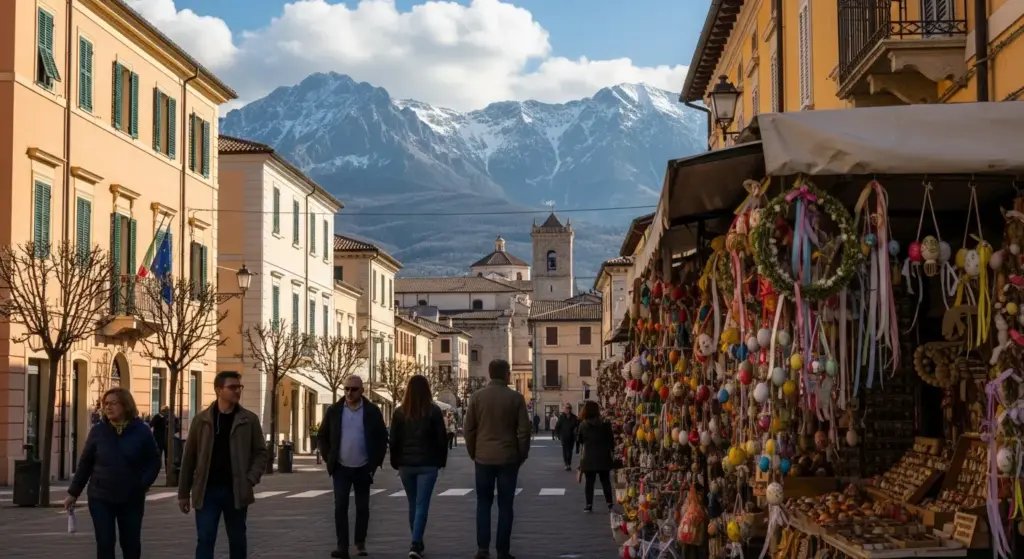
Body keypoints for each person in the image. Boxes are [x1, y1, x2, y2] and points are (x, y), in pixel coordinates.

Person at [178, 371, 268, 559]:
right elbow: (189, 458)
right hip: (207, 490)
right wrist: (183, 493)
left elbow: (261, 452)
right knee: (205, 538)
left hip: (236, 490)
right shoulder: (201, 420)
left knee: (237, 539)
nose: (237, 391)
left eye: (239, 387)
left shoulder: (248, 419)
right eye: (232, 387)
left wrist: (250, 478)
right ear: (219, 390)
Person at [64, 387, 160, 559]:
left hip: (131, 497)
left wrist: (142, 484)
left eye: (113, 403)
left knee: (131, 544)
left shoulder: (141, 430)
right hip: (101, 496)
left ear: (125, 405)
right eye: (105, 404)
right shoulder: (98, 431)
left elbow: (154, 461)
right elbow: (85, 463)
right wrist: (73, 492)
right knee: (105, 543)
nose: (108, 407)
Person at [464, 360, 531, 559]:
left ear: (490, 373)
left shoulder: (476, 398)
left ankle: (482, 549)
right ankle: (503, 550)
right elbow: (524, 432)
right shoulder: (516, 398)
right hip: (508, 458)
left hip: (483, 458)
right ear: (507, 375)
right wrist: (521, 455)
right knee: (506, 505)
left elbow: (468, 429)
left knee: (483, 503)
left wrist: (473, 452)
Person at [318, 375, 389, 559]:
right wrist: (329, 458)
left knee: (362, 507)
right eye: (346, 389)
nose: (349, 392)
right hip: (341, 467)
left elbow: (382, 437)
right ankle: (342, 546)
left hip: (363, 467)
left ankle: (360, 543)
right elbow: (323, 436)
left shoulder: (372, 411)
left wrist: (374, 463)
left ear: (362, 390)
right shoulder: (334, 410)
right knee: (340, 506)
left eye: (354, 389)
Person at [389, 375, 449, 559]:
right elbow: (442, 438)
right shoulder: (433, 411)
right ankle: (415, 543)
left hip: (406, 465)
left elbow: (394, 440)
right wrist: (441, 461)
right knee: (422, 504)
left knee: (412, 503)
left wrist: (395, 461)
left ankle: (417, 541)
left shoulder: (399, 412)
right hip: (428, 464)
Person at [576, 401, 615, 513]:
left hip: (589, 458)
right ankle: (609, 503)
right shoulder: (605, 424)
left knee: (589, 482)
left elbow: (580, 440)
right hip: (604, 457)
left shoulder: (583, 425)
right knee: (605, 481)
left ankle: (589, 505)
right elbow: (610, 441)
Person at [554, 403, 579, 471]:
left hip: (571, 437)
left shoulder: (574, 417)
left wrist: (576, 434)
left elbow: (577, 426)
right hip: (564, 436)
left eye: (568, 408)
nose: (567, 410)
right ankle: (566, 464)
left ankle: (569, 463)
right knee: (565, 450)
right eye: (566, 408)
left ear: (570, 409)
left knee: (570, 451)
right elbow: (557, 426)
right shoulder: (562, 417)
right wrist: (558, 435)